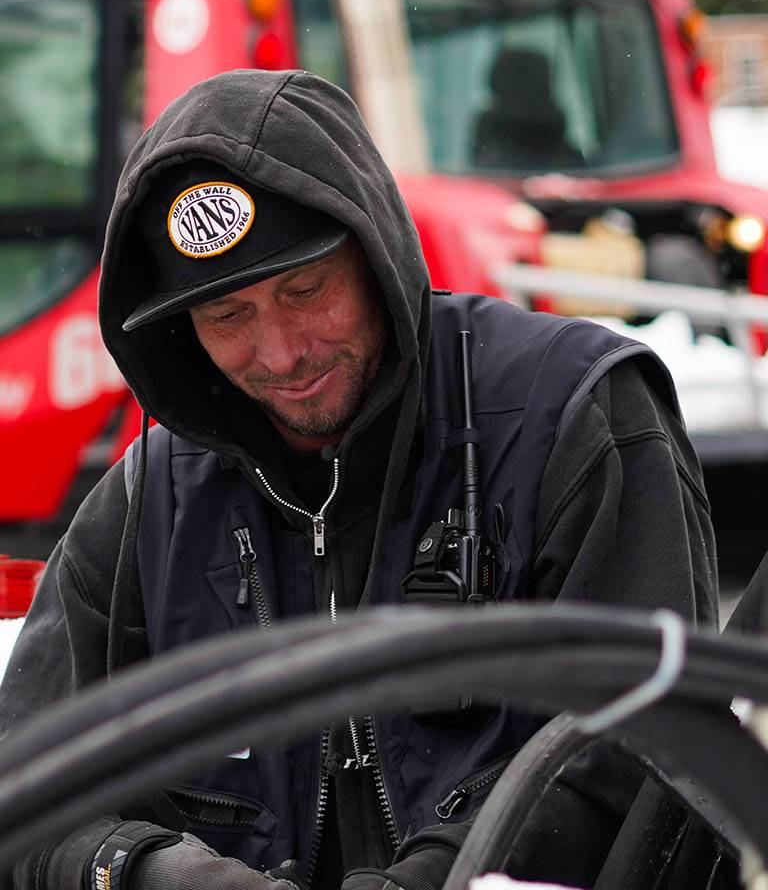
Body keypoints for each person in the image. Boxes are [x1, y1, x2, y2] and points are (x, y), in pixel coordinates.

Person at [1, 68, 717, 890]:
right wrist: (146, 871)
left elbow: (649, 757)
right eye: (226, 317)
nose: (280, 352)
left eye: (305, 290)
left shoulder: (577, 417)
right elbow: (23, 787)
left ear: (376, 250)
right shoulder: (146, 505)